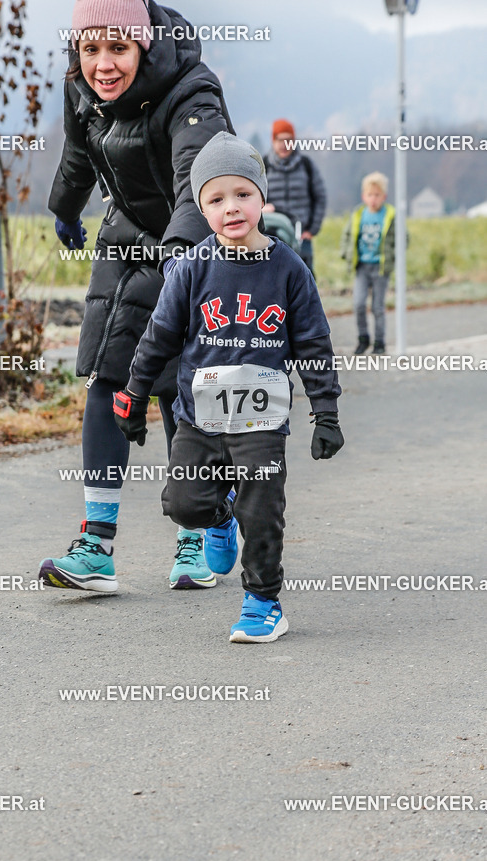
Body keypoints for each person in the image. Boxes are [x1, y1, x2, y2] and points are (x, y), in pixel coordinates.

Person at [114, 132, 344, 642]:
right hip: (200, 418)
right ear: (202, 208)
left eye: (242, 194)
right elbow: (159, 336)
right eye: (215, 199)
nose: (231, 208)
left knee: (262, 509)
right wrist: (132, 396)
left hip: (261, 421)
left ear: (263, 198)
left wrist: (325, 412)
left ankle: (263, 602)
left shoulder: (289, 269)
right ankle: (219, 517)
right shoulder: (193, 267)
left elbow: (313, 341)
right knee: (183, 505)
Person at [38, 0, 234, 594]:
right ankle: (96, 546)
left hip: (190, 249)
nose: (102, 64)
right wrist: (65, 210)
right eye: (90, 49)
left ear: (144, 48)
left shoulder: (193, 94)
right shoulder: (83, 89)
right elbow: (78, 154)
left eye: (118, 49)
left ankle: (195, 531)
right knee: (106, 379)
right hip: (123, 243)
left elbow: (198, 185)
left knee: (179, 387)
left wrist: (182, 257)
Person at [340, 171, 396, 354]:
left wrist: (393, 256)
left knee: (378, 307)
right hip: (362, 266)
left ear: (384, 197)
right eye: (370, 195)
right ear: (364, 196)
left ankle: (379, 342)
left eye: (377, 195)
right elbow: (348, 235)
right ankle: (363, 338)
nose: (373, 199)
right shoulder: (358, 214)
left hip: (380, 268)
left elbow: (402, 238)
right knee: (358, 304)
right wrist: (345, 253)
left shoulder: (389, 215)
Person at [263, 119, 327, 276]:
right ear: (273, 140)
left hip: (302, 235)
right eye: (280, 140)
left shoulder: (306, 165)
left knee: (305, 277)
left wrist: (312, 229)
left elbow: (320, 197)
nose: (284, 145)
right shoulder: (264, 166)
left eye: (288, 140)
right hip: (273, 233)